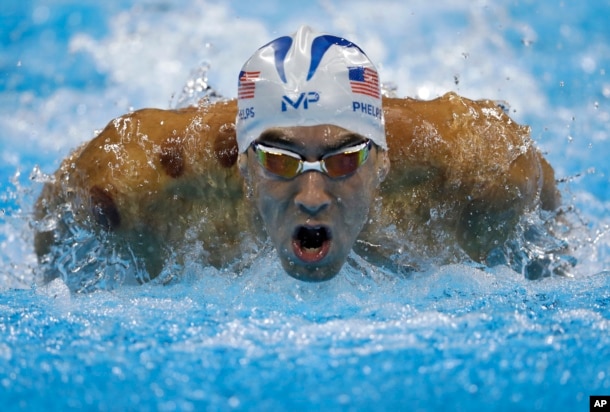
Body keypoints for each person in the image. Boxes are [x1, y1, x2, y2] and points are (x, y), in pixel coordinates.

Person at [34, 26, 562, 289]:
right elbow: (52, 235)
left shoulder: (480, 170)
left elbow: (551, 237)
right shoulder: (141, 182)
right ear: (241, 168)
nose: (313, 198)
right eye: (281, 162)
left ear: (382, 161)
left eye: (342, 160)